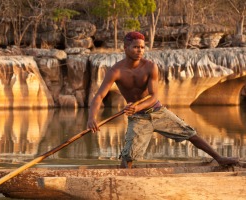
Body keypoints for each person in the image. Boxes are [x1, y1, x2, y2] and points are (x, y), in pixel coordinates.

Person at [87, 31, 239, 168]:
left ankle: (220, 159)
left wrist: (137, 107)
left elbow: (154, 97)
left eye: (142, 47)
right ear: (125, 48)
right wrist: (91, 117)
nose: (139, 50)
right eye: (135, 47)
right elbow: (99, 96)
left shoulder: (150, 67)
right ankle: (122, 179)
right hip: (139, 118)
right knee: (128, 156)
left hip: (158, 111)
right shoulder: (116, 71)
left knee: (190, 133)